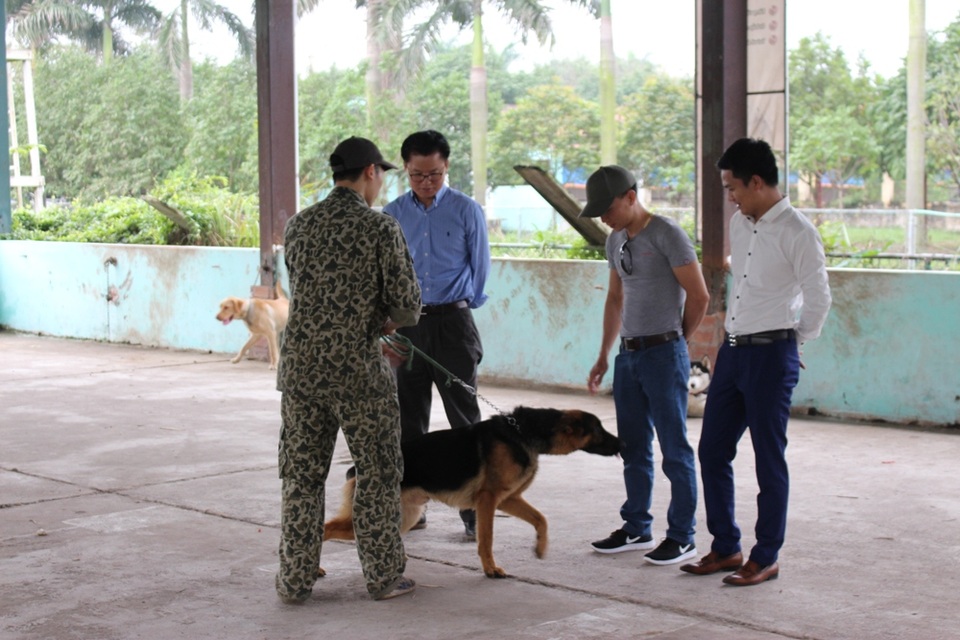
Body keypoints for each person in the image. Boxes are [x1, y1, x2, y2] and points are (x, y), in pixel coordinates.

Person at [275, 136, 422, 603]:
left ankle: (294, 581)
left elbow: (302, 290)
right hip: (358, 373)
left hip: (301, 373)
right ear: (371, 174)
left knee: (301, 477)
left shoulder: (298, 226)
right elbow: (407, 306)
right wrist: (383, 320)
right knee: (378, 475)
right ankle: (382, 578)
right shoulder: (380, 228)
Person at [680, 137, 831, 586]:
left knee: (768, 458)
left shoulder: (799, 233)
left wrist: (793, 343)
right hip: (734, 352)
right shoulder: (741, 223)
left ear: (758, 182)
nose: (730, 196)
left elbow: (819, 299)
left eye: (733, 187)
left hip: (772, 355)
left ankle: (766, 555)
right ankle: (726, 546)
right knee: (711, 450)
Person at [581, 165, 710, 566]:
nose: (605, 217)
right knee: (633, 447)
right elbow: (615, 299)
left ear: (632, 196)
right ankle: (637, 525)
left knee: (674, 448)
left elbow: (700, 296)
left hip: (662, 353)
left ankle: (682, 535)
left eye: (609, 208)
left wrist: (675, 341)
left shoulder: (667, 233)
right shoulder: (615, 241)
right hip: (628, 356)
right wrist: (604, 355)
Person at [383, 129, 490, 539]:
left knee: (465, 421)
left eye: (435, 174)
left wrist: (457, 310)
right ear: (405, 171)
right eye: (417, 175)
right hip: (407, 327)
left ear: (447, 168)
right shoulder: (393, 214)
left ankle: (473, 516)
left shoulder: (467, 210)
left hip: (454, 324)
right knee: (410, 423)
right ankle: (414, 507)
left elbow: (480, 272)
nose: (426, 183)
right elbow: (387, 273)